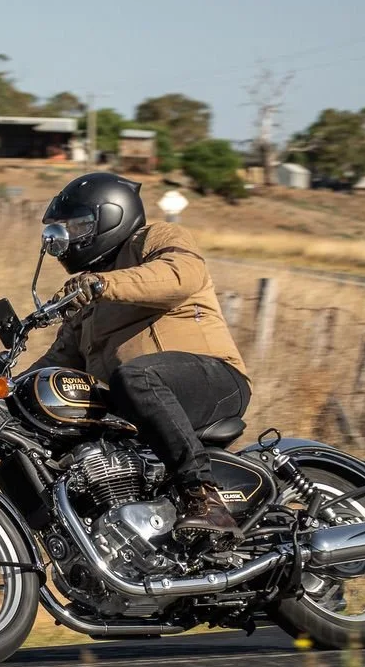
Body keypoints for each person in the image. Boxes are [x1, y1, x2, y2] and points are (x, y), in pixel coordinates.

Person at [29, 172, 252, 539]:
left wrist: (104, 284)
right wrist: (1, 394)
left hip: (213, 379)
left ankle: (204, 496)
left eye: (79, 226)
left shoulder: (156, 237)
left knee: (135, 376)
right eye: (60, 230)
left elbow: (182, 274)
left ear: (113, 215)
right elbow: (55, 364)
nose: (68, 239)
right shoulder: (86, 301)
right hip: (139, 406)